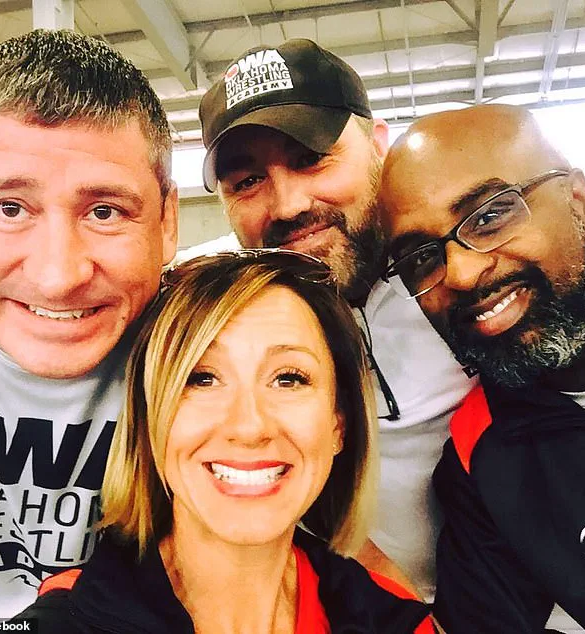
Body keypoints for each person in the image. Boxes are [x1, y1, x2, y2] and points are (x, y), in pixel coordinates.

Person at [12, 250, 437, 633]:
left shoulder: (396, 619)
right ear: (151, 418)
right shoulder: (63, 619)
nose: (249, 427)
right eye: (202, 378)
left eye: (288, 379)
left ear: (338, 425)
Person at [197, 38, 477, 599]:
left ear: (378, 146)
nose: (289, 205)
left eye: (311, 159)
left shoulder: (468, 269)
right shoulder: (211, 313)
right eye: (247, 181)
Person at [0, 30, 176, 619]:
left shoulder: (209, 350)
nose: (58, 277)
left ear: (168, 223)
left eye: (105, 211)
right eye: (9, 208)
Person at [380, 104, 585, 633]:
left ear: (580, 202)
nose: (462, 272)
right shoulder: (484, 456)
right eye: (422, 257)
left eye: (490, 216)